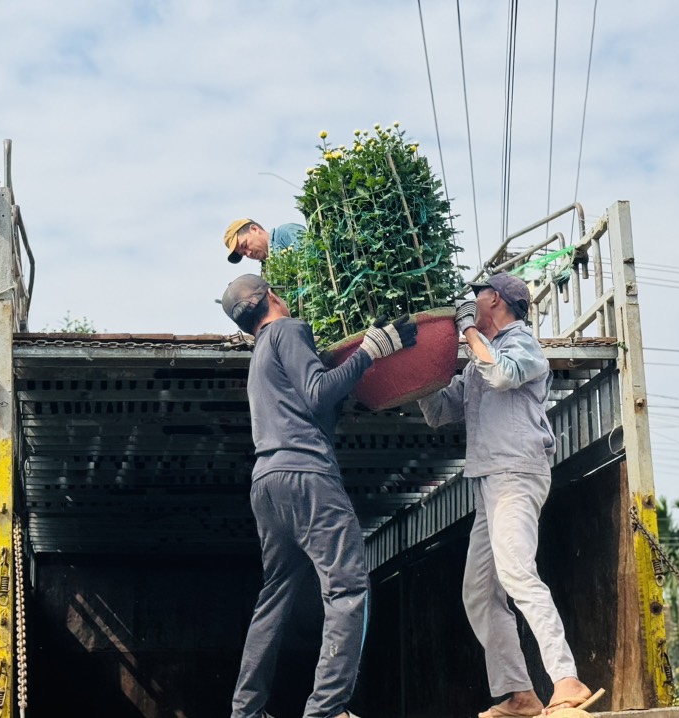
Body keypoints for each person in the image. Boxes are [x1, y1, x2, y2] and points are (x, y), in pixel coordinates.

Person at [222, 273, 418, 718]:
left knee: (275, 595)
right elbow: (316, 394)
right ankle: (327, 708)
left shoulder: (259, 357)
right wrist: (369, 352)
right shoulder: (287, 331)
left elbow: (310, 400)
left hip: (267, 483)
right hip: (307, 476)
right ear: (272, 296)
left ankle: (246, 711)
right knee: (347, 587)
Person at [418, 272, 601, 717]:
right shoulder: (476, 362)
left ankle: (567, 679)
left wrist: (467, 332)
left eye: (476, 297)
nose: (470, 304)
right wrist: (417, 368)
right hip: (489, 481)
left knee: (517, 573)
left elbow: (503, 376)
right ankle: (520, 694)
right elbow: (440, 411)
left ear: (494, 299)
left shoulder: (523, 345)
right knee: (479, 592)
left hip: (517, 473)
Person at [224, 218, 304, 263]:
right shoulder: (266, 273)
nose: (248, 253)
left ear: (254, 229)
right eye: (243, 254)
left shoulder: (284, 233)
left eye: (245, 245)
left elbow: (307, 251)